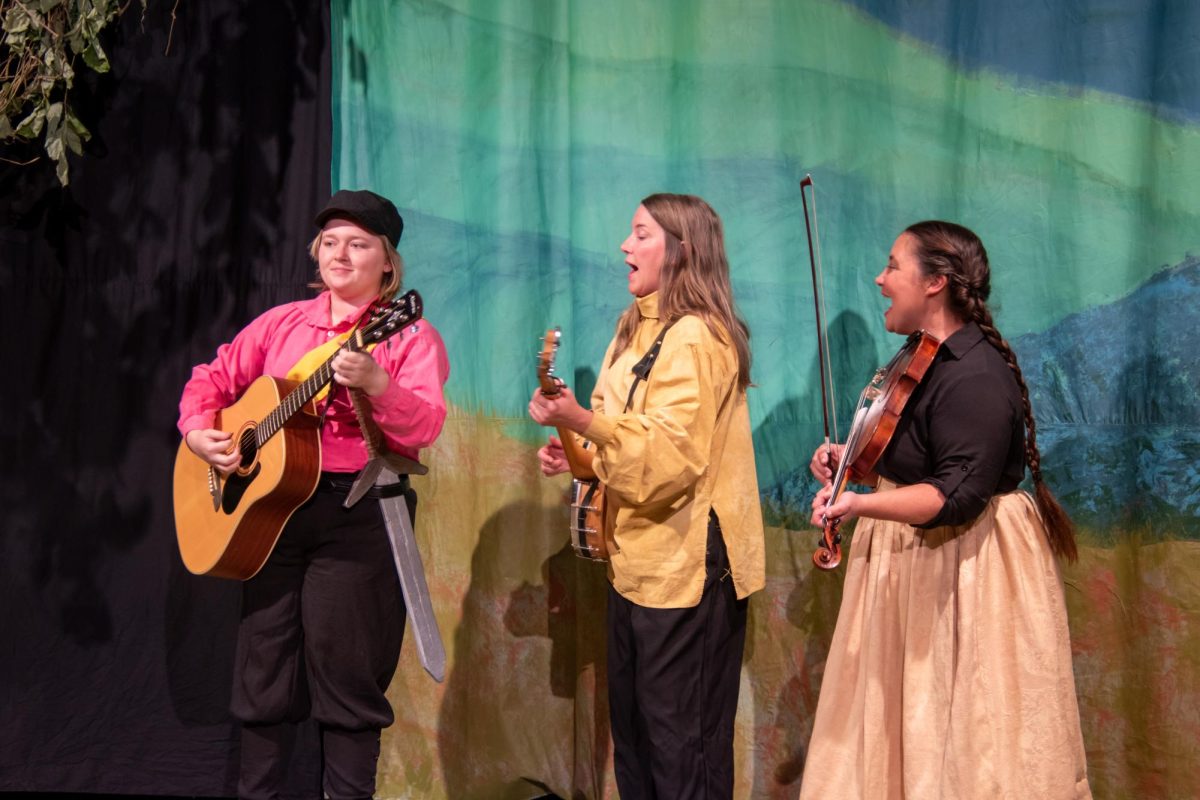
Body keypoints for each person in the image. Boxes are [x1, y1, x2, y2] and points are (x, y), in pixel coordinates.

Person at [799, 221, 1090, 799]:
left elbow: (954, 496)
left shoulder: (975, 374)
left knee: (970, 736)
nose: (880, 279)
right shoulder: (919, 359)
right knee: (905, 725)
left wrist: (860, 501)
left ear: (934, 283)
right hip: (915, 561)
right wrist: (850, 461)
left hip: (967, 567)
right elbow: (913, 459)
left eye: (892, 267)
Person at [177, 189, 450, 799]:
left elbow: (424, 427)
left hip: (355, 512)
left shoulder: (407, 335)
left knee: (349, 679)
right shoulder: (282, 324)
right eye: (330, 243)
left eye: (359, 244)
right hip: (271, 514)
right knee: (263, 671)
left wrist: (379, 382)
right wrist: (199, 433)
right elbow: (211, 378)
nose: (341, 255)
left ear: (388, 263)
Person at [528, 193, 766, 799]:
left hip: (687, 565)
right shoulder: (633, 326)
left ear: (680, 251)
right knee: (635, 734)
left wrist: (584, 423)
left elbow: (669, 458)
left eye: (640, 234)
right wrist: (579, 457)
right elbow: (618, 433)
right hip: (634, 563)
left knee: (680, 742)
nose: (624, 247)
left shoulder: (698, 337)